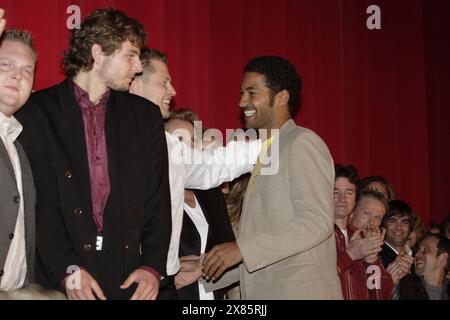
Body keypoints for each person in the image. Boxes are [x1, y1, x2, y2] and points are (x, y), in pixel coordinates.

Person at [16, 8, 172, 300]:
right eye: (131, 55)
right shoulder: (38, 112)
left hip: (130, 279)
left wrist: (152, 266)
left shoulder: (145, 116)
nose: (138, 67)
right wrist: (67, 267)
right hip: (60, 278)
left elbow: (157, 199)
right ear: (99, 52)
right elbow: (40, 205)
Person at [201, 56, 342, 299]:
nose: (241, 101)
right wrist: (203, 268)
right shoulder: (262, 153)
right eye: (242, 93)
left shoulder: (301, 142)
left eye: (252, 93)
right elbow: (267, 252)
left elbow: (316, 222)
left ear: (282, 97)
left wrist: (242, 249)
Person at [130, 48, 261, 299]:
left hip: (162, 285)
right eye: (164, 81)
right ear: (136, 84)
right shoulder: (110, 141)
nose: (173, 90)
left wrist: (275, 145)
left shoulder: (165, 147)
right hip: (130, 282)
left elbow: (215, 164)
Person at [333, 165, 393, 299]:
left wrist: (371, 261)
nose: (371, 222)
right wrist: (349, 255)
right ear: (354, 211)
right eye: (366, 214)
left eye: (377, 218)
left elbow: (381, 296)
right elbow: (311, 281)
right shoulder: (320, 235)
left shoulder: (371, 248)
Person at [399, 233, 450, 300]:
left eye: (426, 249)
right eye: (418, 250)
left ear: (443, 258)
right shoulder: (404, 288)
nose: (417, 254)